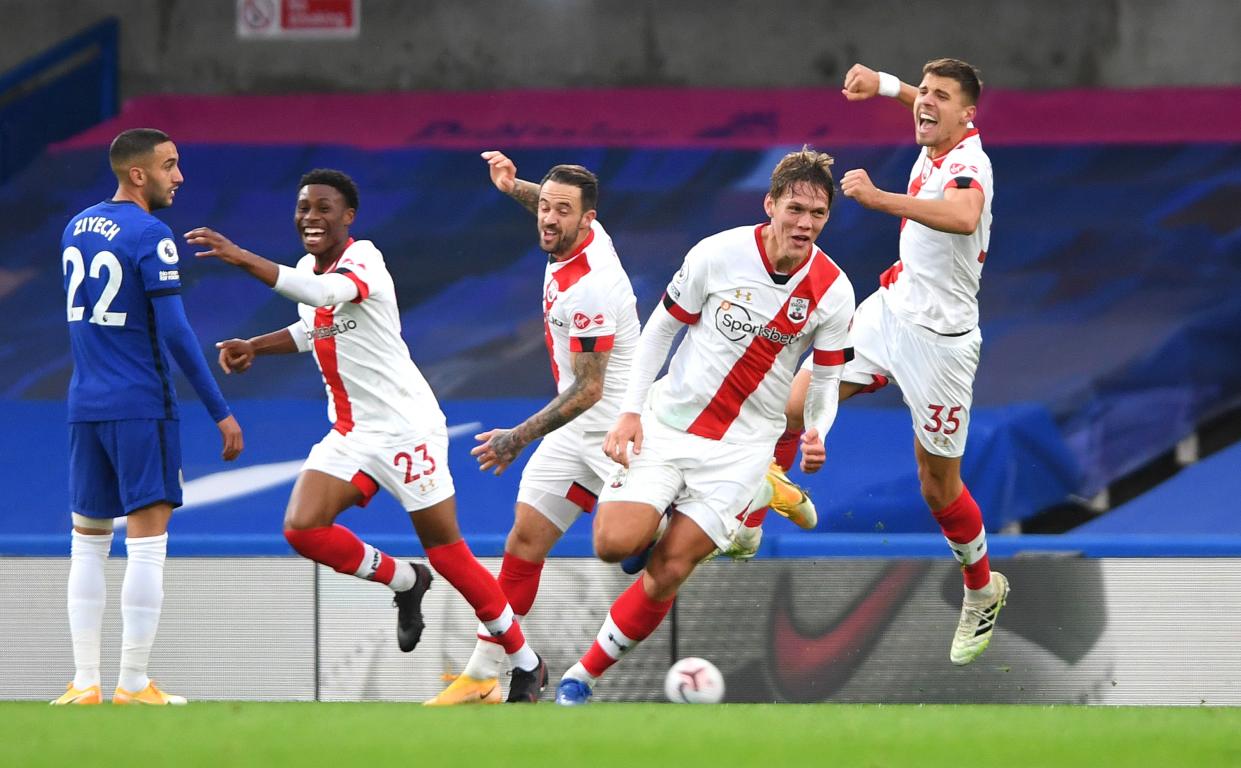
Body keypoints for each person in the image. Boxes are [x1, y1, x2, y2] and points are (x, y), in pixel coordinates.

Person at [184, 168, 547, 702]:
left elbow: (325, 293)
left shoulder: (364, 259)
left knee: (449, 553)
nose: (311, 216)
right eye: (304, 206)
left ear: (347, 217)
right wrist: (256, 346)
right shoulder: (310, 267)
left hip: (407, 431)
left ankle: (526, 663)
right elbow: (316, 325)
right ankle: (405, 581)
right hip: (352, 432)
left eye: (324, 207)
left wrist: (241, 257)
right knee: (302, 528)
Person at [554, 147, 855, 705]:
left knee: (668, 570)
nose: (805, 224)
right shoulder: (717, 254)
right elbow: (659, 332)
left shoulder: (834, 290)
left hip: (742, 448)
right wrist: (630, 411)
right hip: (669, 424)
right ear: (770, 205)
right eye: (795, 209)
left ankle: (582, 676)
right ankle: (718, 507)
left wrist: (819, 429)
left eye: (817, 215)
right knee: (614, 544)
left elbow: (828, 380)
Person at [785, 58, 1007, 666]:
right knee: (790, 405)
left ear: (969, 116)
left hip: (942, 344)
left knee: (938, 488)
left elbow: (962, 216)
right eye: (924, 93)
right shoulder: (941, 130)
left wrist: (881, 199)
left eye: (940, 98)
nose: (925, 104)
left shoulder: (969, 164)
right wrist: (885, 85)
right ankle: (754, 507)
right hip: (890, 310)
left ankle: (982, 588)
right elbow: (925, 102)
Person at [54, 128, 245, 706]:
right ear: (138, 174)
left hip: (84, 403)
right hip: (141, 405)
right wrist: (221, 411)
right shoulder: (150, 235)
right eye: (170, 165)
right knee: (146, 542)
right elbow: (178, 333)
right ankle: (134, 683)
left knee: (86, 542)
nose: (178, 176)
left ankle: (84, 682)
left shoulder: (75, 228)